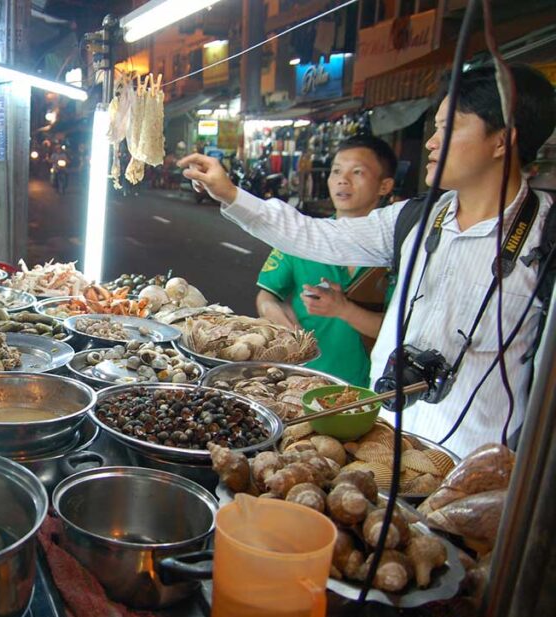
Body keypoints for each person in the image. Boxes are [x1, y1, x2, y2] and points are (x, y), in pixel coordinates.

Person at [181, 64, 556, 455]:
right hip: (383, 443)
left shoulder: (546, 240)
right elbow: (314, 235)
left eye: (449, 128)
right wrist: (230, 193)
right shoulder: (414, 220)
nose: (431, 142)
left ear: (502, 141)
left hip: (474, 465)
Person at [256, 135, 398, 386]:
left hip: (370, 391)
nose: (343, 180)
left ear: (384, 186)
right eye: (336, 171)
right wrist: (273, 312)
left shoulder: (399, 250)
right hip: (301, 382)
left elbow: (400, 332)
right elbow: (267, 295)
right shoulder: (303, 236)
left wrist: (343, 310)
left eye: (357, 172)